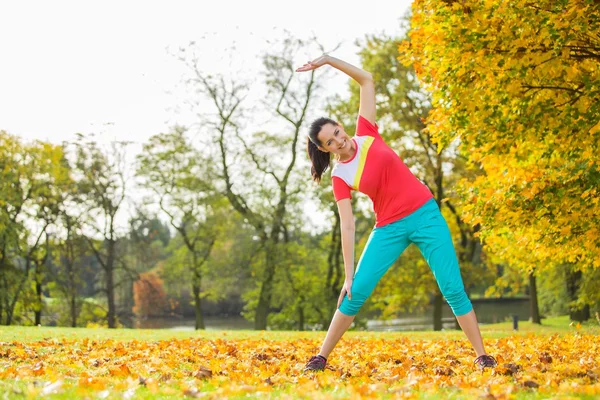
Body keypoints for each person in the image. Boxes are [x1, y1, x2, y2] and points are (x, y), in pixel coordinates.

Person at [296, 55, 497, 372]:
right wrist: (348, 275)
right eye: (330, 141)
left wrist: (327, 61)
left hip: (426, 215)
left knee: (452, 288)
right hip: (389, 227)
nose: (338, 139)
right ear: (324, 149)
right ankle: (320, 357)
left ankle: (482, 355)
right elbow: (347, 227)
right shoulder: (340, 176)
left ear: (341, 126)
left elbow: (366, 79)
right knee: (355, 291)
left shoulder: (366, 132)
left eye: (336, 131)